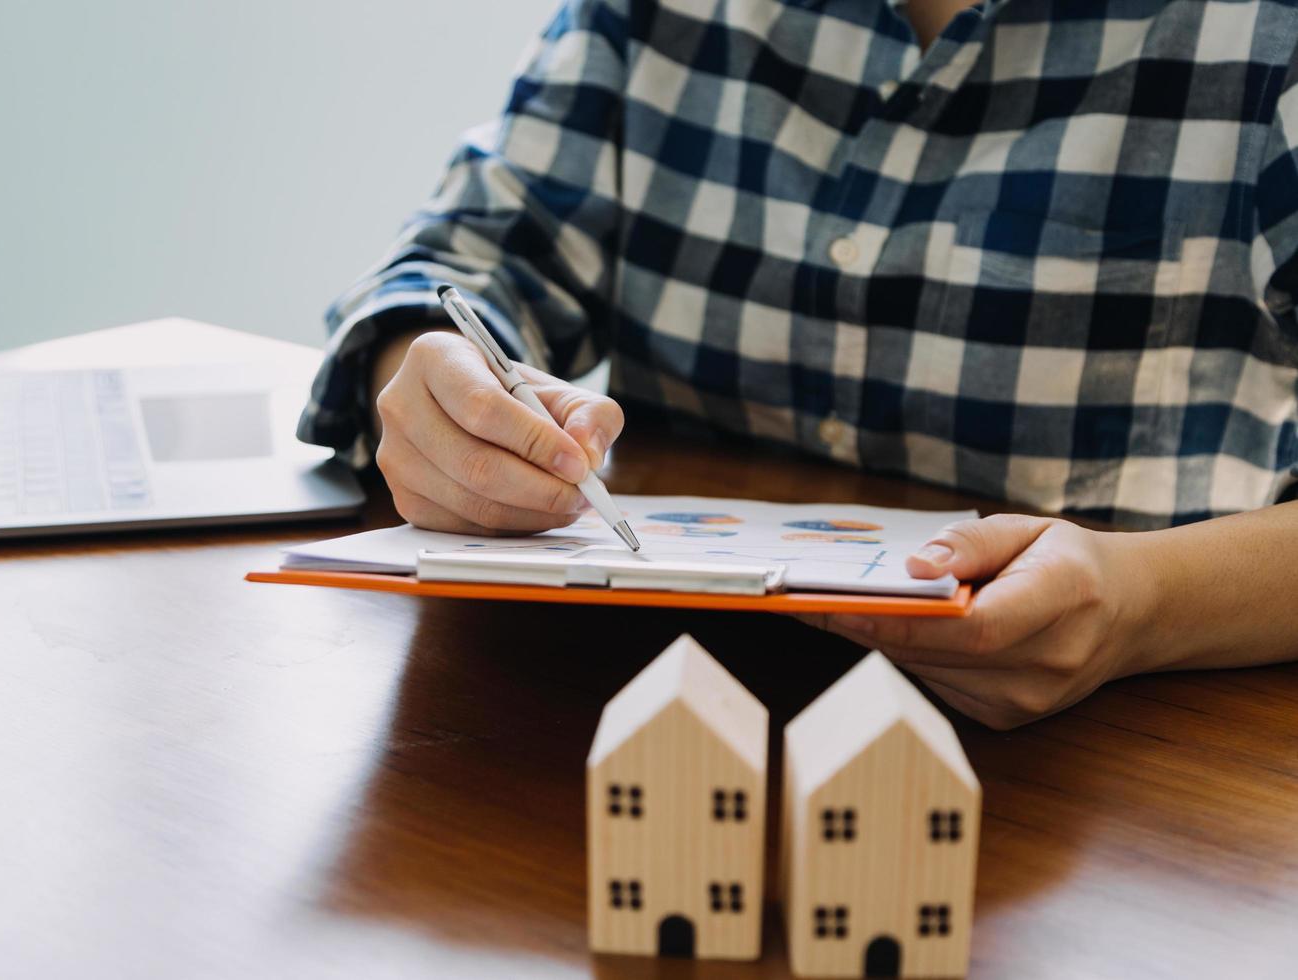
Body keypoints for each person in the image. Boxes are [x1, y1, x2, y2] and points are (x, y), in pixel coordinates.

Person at [299, 0, 1298, 728]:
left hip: (1126, 763)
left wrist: (1145, 600)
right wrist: (434, 387)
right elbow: (473, 255)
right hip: (603, 705)